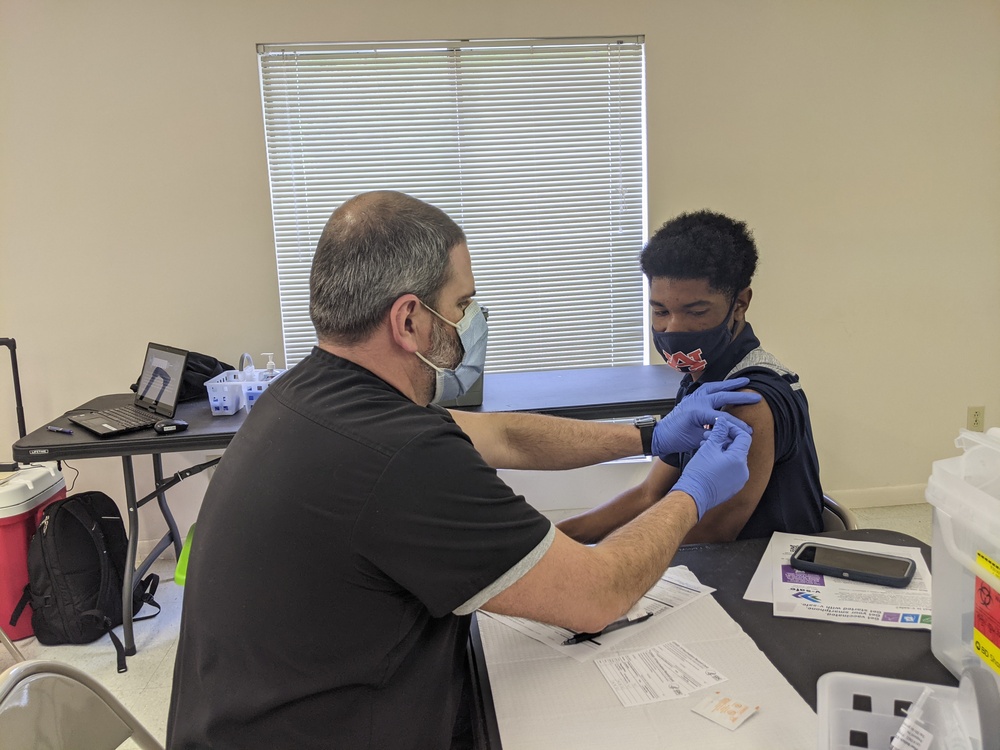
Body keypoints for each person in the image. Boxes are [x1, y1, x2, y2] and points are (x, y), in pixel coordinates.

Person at [166, 192, 755, 750]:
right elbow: (598, 595)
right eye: (461, 305)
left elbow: (502, 435)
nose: (468, 322)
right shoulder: (401, 456)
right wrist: (695, 491)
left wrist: (648, 435)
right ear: (408, 321)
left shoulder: (308, 393)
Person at [559, 210, 824, 545]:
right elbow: (649, 494)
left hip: (761, 576)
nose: (673, 327)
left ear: (739, 304)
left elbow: (714, 532)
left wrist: (596, 561)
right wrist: (552, 542)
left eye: (695, 312)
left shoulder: (748, 399)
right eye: (660, 311)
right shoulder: (699, 383)